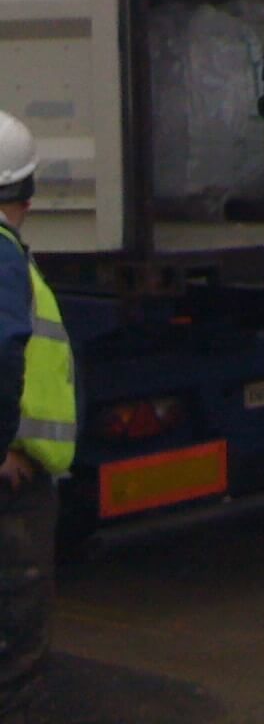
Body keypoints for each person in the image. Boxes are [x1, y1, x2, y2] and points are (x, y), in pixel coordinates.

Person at [0, 111, 77, 721]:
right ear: (24, 191)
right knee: (15, 651)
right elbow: (3, 354)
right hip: (13, 485)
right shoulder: (2, 257)